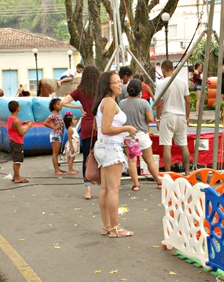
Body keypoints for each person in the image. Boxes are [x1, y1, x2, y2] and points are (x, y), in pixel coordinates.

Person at [93, 71, 137, 238]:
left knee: (105, 189)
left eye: (120, 81)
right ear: (107, 85)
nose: (120, 84)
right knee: (113, 189)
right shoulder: (110, 102)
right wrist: (127, 128)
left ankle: (107, 226)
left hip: (104, 146)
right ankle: (115, 228)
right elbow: (106, 129)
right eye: (116, 82)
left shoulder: (105, 102)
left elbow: (102, 130)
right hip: (111, 147)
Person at [60, 64, 100, 199]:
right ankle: (105, 186)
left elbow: (63, 102)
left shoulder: (80, 90)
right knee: (104, 156)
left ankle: (88, 189)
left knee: (87, 158)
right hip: (101, 125)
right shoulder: (101, 90)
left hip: (87, 125)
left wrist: (79, 107)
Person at [120, 79, 162, 191]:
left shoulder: (122, 103)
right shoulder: (144, 103)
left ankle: (136, 184)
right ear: (140, 91)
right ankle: (158, 181)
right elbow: (150, 118)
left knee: (132, 161)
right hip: (142, 135)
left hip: (128, 136)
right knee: (149, 160)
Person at [155, 60, 191, 173]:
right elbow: (188, 101)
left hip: (167, 115)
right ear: (173, 69)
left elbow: (159, 104)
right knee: (183, 144)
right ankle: (187, 172)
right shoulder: (182, 82)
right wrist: (187, 116)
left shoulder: (160, 84)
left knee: (167, 145)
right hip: (181, 115)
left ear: (163, 70)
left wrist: (158, 118)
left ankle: (168, 173)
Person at [7, 100, 31, 183]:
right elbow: (21, 133)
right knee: (17, 161)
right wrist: (28, 126)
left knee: (17, 160)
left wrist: (22, 123)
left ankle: (16, 176)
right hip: (17, 141)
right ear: (17, 108)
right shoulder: (16, 120)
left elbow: (14, 127)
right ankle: (17, 178)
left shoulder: (11, 117)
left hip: (12, 140)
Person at [43, 97, 66, 175]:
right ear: (54, 106)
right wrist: (54, 127)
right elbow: (45, 123)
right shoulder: (53, 114)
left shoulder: (58, 114)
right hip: (55, 134)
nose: (61, 106)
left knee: (56, 153)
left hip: (58, 134)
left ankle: (57, 168)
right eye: (59, 104)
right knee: (55, 153)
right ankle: (56, 170)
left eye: (61, 104)